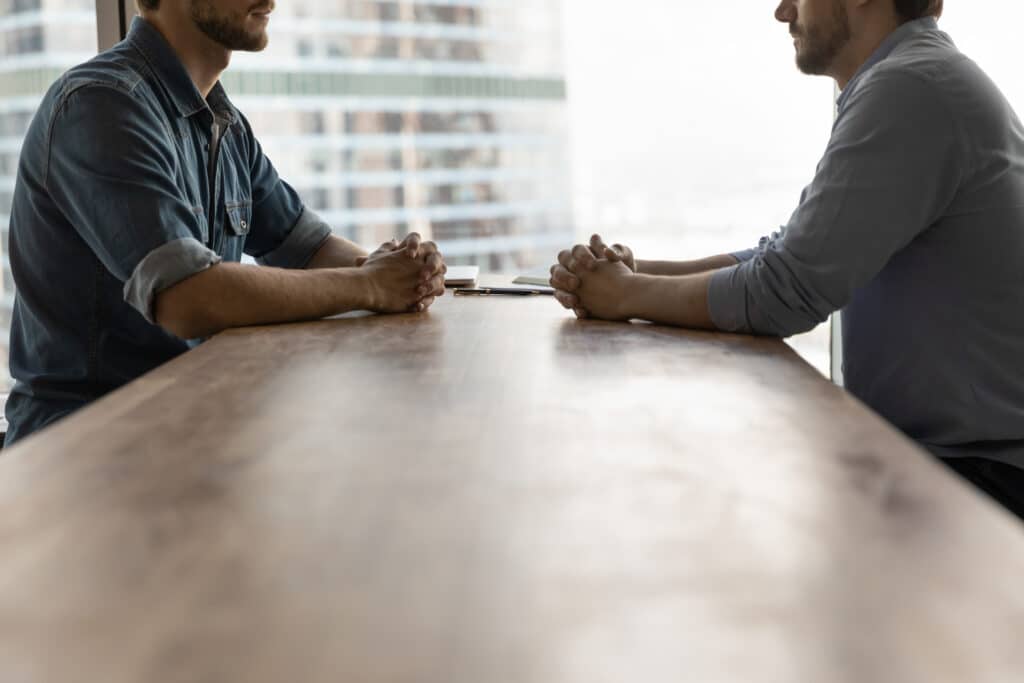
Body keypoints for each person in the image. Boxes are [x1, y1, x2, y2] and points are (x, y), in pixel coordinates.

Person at [549, 0, 1024, 518]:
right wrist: (634, 274)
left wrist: (623, 295)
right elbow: (786, 253)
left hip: (980, 482)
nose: (782, 12)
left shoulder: (910, 88)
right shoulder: (906, 78)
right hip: (950, 464)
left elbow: (785, 291)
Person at [3, 0, 448, 446]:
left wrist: (405, 272)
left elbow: (308, 246)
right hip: (80, 449)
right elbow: (188, 299)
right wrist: (371, 285)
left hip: (184, 424)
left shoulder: (225, 125)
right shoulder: (102, 105)